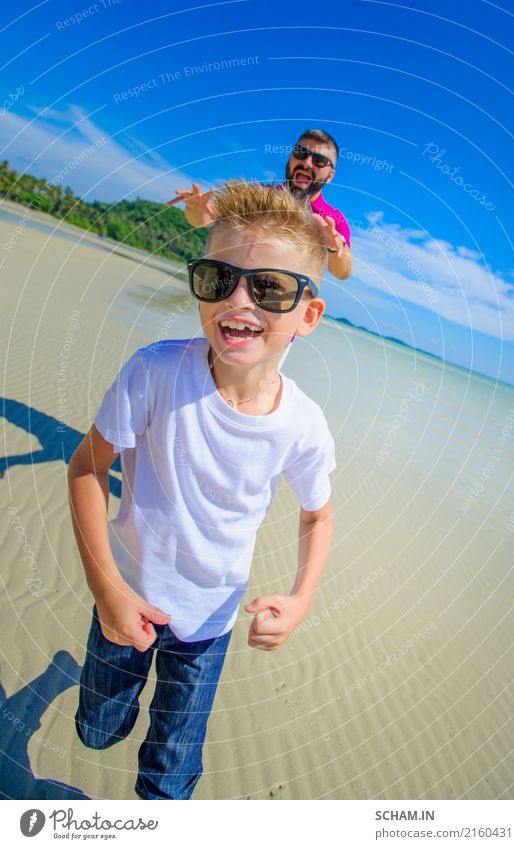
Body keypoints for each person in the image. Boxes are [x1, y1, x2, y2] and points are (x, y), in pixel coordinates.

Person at [68, 179, 336, 800]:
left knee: (170, 779)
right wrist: (107, 590)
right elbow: (85, 467)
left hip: (211, 621)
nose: (239, 301)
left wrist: (300, 600)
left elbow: (317, 516)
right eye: (219, 279)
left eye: (269, 287)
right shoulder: (156, 370)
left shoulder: (303, 426)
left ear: (308, 316)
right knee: (97, 731)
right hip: (126, 595)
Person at [167, 129, 353, 281]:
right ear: (291, 158)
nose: (306, 163)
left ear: (330, 176)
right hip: (230, 289)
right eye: (300, 153)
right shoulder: (261, 196)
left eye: (319, 161)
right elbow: (203, 219)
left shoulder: (331, 220)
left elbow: (342, 271)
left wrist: (335, 246)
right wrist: (196, 207)